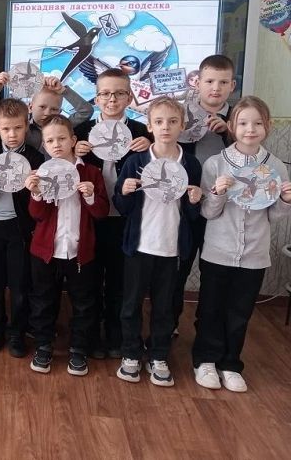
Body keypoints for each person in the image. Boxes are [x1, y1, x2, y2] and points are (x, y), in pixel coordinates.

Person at [193, 96, 291, 392]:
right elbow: (208, 212)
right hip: (217, 251)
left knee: (240, 311)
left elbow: (274, 216)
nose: (250, 129)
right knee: (210, 308)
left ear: (267, 126)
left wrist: (286, 200)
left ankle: (231, 363)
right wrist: (218, 193)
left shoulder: (275, 166)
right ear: (232, 126)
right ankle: (205, 360)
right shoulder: (216, 163)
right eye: (243, 123)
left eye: (258, 123)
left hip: (254, 255)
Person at [114, 97, 203, 386]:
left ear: (182, 125)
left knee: (165, 306)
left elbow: (192, 214)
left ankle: (159, 354)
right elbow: (122, 207)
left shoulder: (190, 164)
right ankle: (130, 353)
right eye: (159, 122)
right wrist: (124, 191)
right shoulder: (136, 161)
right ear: (149, 126)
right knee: (131, 304)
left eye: (173, 121)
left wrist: (194, 201)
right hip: (139, 246)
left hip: (171, 247)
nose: (166, 127)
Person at [74, 68, 151, 358]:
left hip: (126, 220)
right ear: (96, 98)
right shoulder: (81, 132)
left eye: (119, 93)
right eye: (105, 93)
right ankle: (92, 338)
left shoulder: (142, 132)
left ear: (129, 97)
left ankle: (117, 337)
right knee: (90, 280)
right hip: (91, 218)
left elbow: (162, 166)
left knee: (121, 281)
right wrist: (74, 151)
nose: (112, 99)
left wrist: (151, 147)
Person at [24, 115, 109, 376]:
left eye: (61, 138)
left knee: (83, 302)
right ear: (44, 145)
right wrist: (36, 193)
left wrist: (91, 195)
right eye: (50, 140)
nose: (56, 144)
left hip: (80, 252)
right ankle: (43, 346)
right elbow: (37, 215)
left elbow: (102, 213)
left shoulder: (91, 172)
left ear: (73, 140)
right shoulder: (42, 172)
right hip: (46, 251)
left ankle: (78, 349)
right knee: (43, 300)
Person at [0, 98, 44, 357]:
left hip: (20, 230)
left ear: (26, 126)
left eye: (17, 128)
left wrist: (32, 186)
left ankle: (17, 331)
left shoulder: (35, 157)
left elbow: (38, 201)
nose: (12, 134)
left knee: (19, 286)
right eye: (6, 129)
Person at [174, 55, 236, 333]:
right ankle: (170, 324)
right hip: (185, 204)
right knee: (179, 267)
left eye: (223, 82)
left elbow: (248, 159)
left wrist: (228, 134)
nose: (215, 88)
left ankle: (207, 329)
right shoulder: (180, 114)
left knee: (214, 273)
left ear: (232, 86)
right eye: (209, 81)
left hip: (222, 208)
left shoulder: (238, 118)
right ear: (196, 82)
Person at [0, 71, 93, 159]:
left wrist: (63, 90)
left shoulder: (63, 127)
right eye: (42, 107)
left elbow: (86, 111)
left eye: (54, 109)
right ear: (30, 107)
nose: (47, 113)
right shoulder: (21, 129)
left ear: (59, 112)